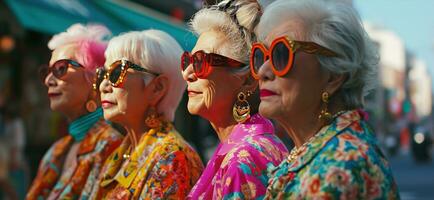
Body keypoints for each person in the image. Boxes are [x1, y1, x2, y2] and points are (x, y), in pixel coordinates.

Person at [249, 0, 400, 198]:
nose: (262, 71)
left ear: (333, 75)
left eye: (281, 54)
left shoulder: (338, 170)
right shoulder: (316, 150)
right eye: (261, 56)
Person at [182, 0, 288, 199]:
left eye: (200, 62)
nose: (187, 73)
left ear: (247, 79)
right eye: (187, 60)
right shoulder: (248, 146)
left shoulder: (243, 160)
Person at [90, 30, 203, 199]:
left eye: (115, 73)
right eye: (102, 75)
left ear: (157, 88)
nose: (103, 86)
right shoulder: (122, 153)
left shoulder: (172, 157)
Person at [27, 24, 123, 200]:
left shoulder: (113, 146)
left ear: (94, 77)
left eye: (61, 68)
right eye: (47, 71)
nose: (49, 80)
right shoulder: (56, 150)